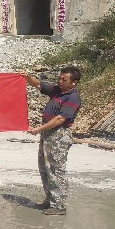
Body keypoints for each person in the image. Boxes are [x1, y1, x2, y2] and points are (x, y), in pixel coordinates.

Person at [22, 66, 82, 216]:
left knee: (56, 169)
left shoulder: (73, 97)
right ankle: (50, 200)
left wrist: (38, 129)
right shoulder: (56, 91)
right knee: (44, 167)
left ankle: (59, 205)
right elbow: (38, 84)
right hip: (48, 134)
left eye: (64, 79)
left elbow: (60, 119)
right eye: (60, 78)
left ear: (74, 82)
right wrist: (27, 77)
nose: (60, 81)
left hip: (59, 135)